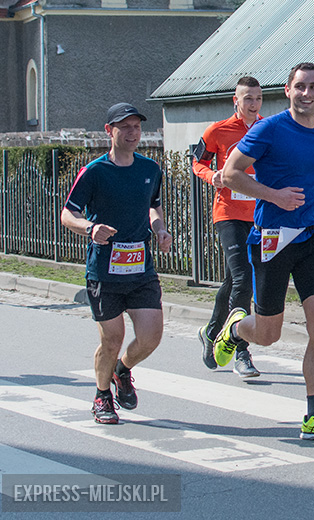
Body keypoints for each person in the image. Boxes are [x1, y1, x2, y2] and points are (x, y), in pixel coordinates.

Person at [215, 62, 314, 443]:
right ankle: (236, 327)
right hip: (272, 238)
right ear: (287, 91)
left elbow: (304, 175)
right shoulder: (268, 128)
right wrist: (274, 196)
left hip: (311, 236)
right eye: (300, 87)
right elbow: (230, 173)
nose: (306, 94)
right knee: (267, 335)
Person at [61, 102, 173, 424]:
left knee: (151, 336)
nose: (132, 132)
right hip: (104, 273)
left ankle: (121, 370)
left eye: (136, 126)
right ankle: (101, 396)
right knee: (111, 339)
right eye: (124, 127)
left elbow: (152, 206)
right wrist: (91, 228)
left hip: (140, 269)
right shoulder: (95, 171)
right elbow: (68, 213)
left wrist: (160, 229)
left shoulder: (150, 169)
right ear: (109, 131)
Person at [193, 76, 263, 378]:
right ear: (236, 101)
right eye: (248, 98)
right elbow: (196, 161)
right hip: (228, 214)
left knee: (233, 282)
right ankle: (240, 349)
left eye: (258, 98)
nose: (253, 104)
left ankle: (211, 332)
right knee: (244, 279)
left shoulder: (266, 128)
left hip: (258, 214)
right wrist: (212, 176)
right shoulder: (218, 131)